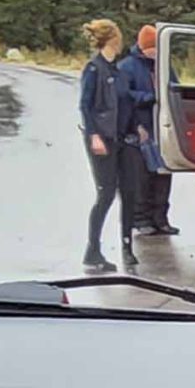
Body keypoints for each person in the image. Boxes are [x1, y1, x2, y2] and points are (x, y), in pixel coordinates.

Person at [76, 18, 134, 272]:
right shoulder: (93, 69)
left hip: (121, 137)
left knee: (129, 192)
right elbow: (85, 105)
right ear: (112, 39)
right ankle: (93, 248)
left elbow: (125, 101)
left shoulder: (117, 71)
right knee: (106, 193)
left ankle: (126, 245)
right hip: (102, 138)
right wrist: (94, 135)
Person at [117, 25, 177, 238]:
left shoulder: (163, 67)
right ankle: (141, 220)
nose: (155, 53)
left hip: (162, 129)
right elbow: (122, 98)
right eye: (152, 48)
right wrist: (147, 99)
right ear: (143, 47)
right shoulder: (126, 68)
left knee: (163, 175)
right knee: (141, 179)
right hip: (139, 130)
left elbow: (174, 89)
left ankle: (161, 219)